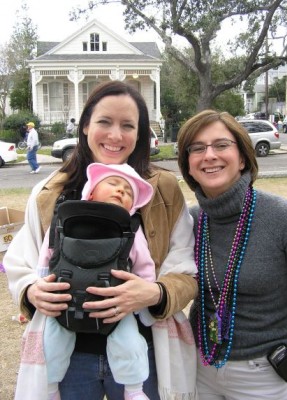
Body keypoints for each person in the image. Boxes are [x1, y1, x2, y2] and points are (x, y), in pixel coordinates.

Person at [4, 81, 197, 400]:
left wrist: (153, 292)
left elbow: (185, 271)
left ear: (140, 133)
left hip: (141, 352)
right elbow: (21, 262)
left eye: (128, 126)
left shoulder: (162, 191)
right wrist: (32, 289)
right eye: (104, 122)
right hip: (69, 359)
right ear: (84, 127)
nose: (116, 135)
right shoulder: (50, 192)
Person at [177, 109, 287, 399]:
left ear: (243, 157)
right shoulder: (188, 222)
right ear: (188, 165)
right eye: (197, 148)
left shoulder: (285, 219)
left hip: (263, 375)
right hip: (199, 366)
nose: (209, 155)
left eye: (221, 145)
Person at [37, 162, 155, 400]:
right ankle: (50, 388)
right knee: (50, 343)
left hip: (114, 304)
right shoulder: (66, 217)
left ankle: (133, 390)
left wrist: (144, 299)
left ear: (133, 206)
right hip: (65, 301)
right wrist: (39, 285)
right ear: (90, 191)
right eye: (113, 184)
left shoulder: (131, 227)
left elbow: (144, 264)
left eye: (128, 191)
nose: (121, 191)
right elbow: (49, 252)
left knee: (130, 342)